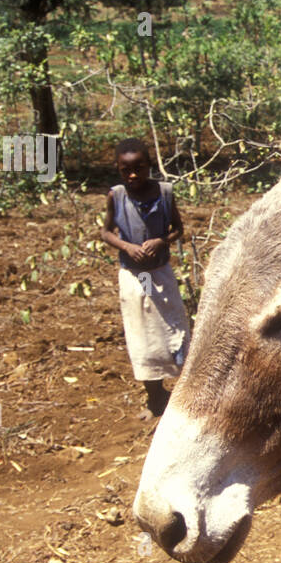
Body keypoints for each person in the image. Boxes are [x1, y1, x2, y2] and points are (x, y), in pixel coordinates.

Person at [99, 137, 190, 419]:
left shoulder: (164, 192)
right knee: (142, 337)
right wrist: (127, 246)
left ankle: (186, 395)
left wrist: (162, 241)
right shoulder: (117, 196)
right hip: (133, 276)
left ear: (149, 166)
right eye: (127, 170)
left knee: (174, 329)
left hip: (160, 273)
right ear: (118, 169)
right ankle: (155, 397)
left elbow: (179, 228)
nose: (134, 175)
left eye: (139, 168)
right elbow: (105, 232)